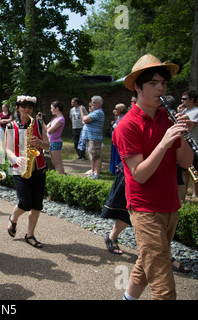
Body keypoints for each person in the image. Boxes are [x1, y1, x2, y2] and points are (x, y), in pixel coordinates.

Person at [113, 54, 194, 300]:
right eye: (153, 83)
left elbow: (185, 162)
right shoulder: (127, 125)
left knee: (147, 263)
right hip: (145, 209)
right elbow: (139, 174)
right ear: (137, 86)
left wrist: (184, 134)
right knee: (165, 289)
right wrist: (165, 142)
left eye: (164, 83)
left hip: (170, 205)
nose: (160, 88)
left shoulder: (166, 118)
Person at [5, 95, 49, 248]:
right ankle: (13, 219)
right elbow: (8, 149)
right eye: (23, 106)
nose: (27, 110)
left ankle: (30, 235)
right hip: (19, 168)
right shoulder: (11, 126)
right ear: (18, 108)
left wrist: (40, 143)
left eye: (30, 107)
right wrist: (16, 159)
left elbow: (48, 146)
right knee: (25, 203)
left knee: (37, 205)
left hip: (38, 168)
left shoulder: (39, 123)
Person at [178, 89, 198, 197]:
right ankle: (184, 194)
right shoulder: (185, 111)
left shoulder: (196, 111)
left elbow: (189, 123)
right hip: (185, 144)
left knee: (195, 171)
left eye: (184, 99)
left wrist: (180, 114)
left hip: (195, 144)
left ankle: (196, 194)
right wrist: (180, 112)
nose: (182, 101)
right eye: (181, 98)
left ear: (192, 99)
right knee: (185, 171)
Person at [81, 96, 105, 179]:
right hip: (91, 137)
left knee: (96, 156)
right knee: (92, 156)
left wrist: (82, 111)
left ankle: (97, 174)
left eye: (94, 102)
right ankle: (93, 172)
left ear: (99, 104)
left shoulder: (98, 112)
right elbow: (84, 120)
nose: (92, 104)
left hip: (95, 138)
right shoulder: (94, 112)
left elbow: (85, 119)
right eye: (92, 102)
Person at [46, 100, 65, 174]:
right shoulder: (55, 118)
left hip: (55, 142)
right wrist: (41, 120)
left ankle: (62, 178)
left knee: (58, 163)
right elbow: (46, 127)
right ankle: (59, 177)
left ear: (56, 108)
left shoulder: (61, 119)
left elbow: (49, 131)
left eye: (52, 108)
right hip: (51, 142)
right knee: (54, 163)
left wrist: (48, 128)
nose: (51, 110)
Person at [109, 103, 128, 174]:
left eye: (116, 109)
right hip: (114, 139)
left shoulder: (124, 118)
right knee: (114, 154)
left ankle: (119, 169)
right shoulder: (117, 118)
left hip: (119, 140)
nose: (115, 110)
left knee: (118, 155)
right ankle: (113, 169)